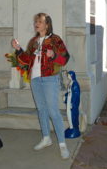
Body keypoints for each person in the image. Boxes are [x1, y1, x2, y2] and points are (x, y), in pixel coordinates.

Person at [11, 12, 70, 159]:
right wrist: (18, 49)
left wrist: (54, 56)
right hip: (35, 79)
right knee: (41, 110)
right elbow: (25, 60)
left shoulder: (55, 40)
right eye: (36, 21)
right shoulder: (33, 41)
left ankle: (62, 144)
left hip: (50, 79)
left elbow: (65, 58)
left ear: (47, 24)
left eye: (40, 21)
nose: (36, 24)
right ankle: (46, 138)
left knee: (53, 112)